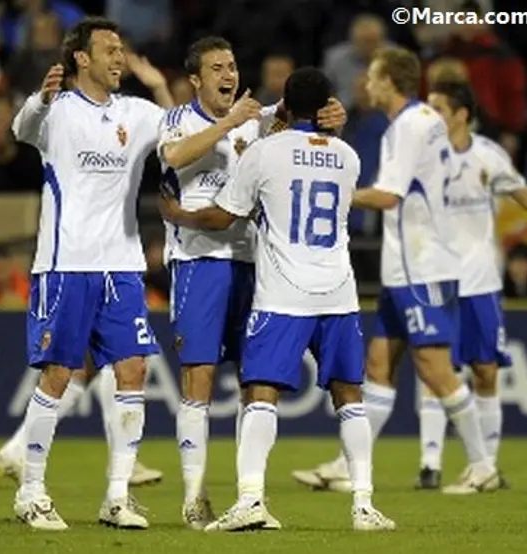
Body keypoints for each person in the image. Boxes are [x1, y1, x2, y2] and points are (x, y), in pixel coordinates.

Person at [159, 67, 395, 532]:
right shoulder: (348, 157)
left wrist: (175, 213)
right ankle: (364, 505)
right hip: (339, 293)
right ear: (327, 105)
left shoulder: (264, 153)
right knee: (350, 397)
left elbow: (224, 217)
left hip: (283, 295)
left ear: (283, 105)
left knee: (261, 393)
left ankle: (250, 501)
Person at [292, 46, 500, 495]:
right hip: (406, 267)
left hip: (420, 268)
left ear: (389, 82)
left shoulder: (407, 126)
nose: (366, 84)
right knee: (379, 364)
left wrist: (335, 187)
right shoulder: (424, 120)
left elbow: (389, 195)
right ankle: (350, 465)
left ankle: (483, 466)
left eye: (372, 77)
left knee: (435, 369)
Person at [10, 17, 172, 531]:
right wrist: (39, 97)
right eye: (109, 49)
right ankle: (31, 490)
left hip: (121, 265)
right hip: (66, 264)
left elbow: (178, 135)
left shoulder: (135, 112)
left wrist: (162, 87)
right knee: (58, 374)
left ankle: (117, 497)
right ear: (82, 57)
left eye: (122, 49)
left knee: (134, 372)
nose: (119, 58)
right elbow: (22, 129)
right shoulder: (56, 112)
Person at [415, 80, 527, 490]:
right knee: (437, 372)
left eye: (438, 107)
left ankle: (486, 466)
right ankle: (430, 463)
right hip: (435, 278)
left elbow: (526, 197)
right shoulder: (420, 156)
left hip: (480, 281)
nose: (430, 114)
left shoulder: (489, 156)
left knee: (485, 371)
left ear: (461, 114)